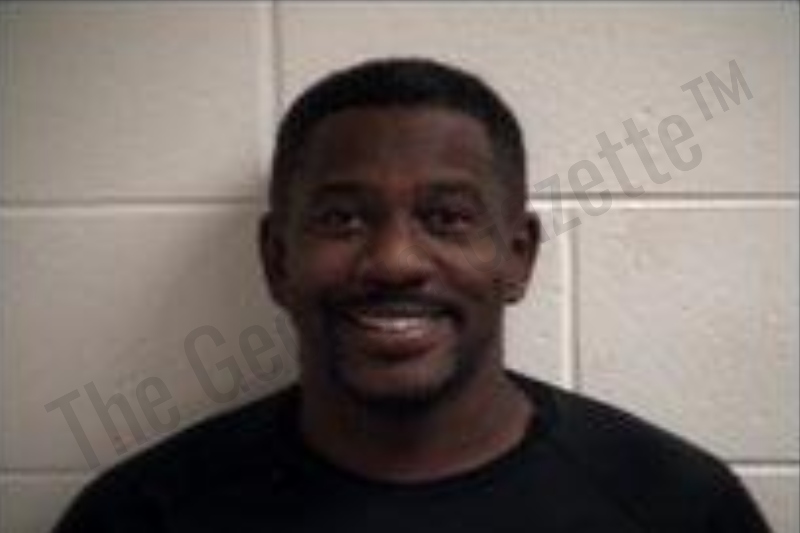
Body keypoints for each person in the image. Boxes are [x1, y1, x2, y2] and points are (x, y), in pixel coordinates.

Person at [54, 57, 772, 533]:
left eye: (447, 218)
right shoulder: (140, 518)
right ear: (276, 259)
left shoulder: (679, 507)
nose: (395, 261)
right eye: (343, 219)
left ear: (518, 256)